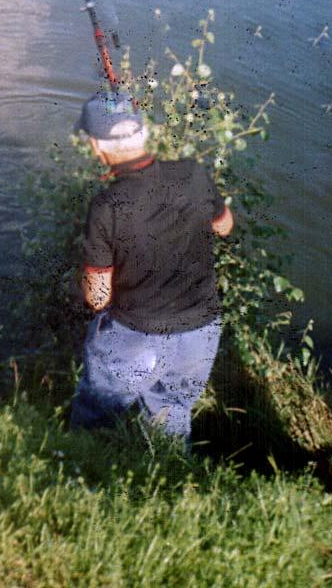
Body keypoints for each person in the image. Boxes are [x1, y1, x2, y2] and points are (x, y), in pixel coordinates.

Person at [70, 89, 234, 445]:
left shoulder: (107, 206)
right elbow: (224, 226)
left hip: (136, 338)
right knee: (172, 416)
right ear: (144, 133)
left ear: (98, 148)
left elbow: (97, 297)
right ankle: (170, 480)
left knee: (97, 420)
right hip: (199, 334)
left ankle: (82, 475)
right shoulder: (193, 174)